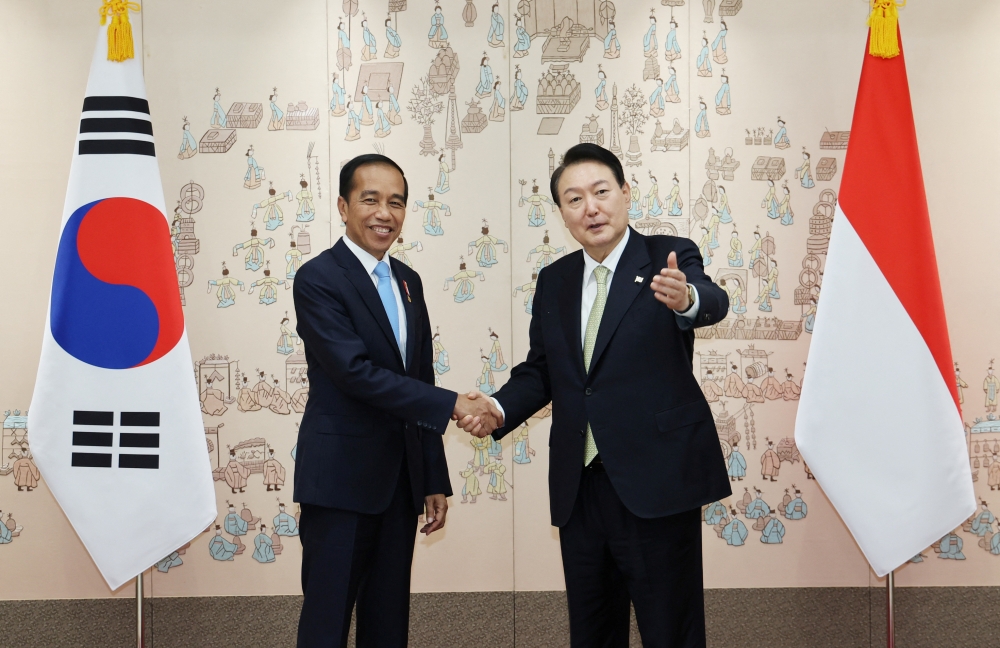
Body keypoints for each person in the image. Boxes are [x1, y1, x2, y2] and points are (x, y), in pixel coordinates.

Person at [457, 143, 730, 647]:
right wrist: (496, 408)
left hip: (657, 482)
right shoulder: (555, 280)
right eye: (574, 199)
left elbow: (711, 298)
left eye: (601, 192)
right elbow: (543, 371)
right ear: (563, 213)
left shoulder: (668, 255)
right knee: (592, 633)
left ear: (625, 194)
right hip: (580, 489)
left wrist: (687, 299)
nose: (591, 207)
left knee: (672, 631)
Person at [293, 154, 494, 647]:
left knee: (388, 628)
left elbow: (418, 377)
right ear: (343, 206)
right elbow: (355, 374)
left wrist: (431, 478)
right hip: (339, 485)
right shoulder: (318, 278)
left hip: (398, 487)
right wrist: (453, 404)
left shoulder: (408, 281)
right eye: (371, 199)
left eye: (396, 202)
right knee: (326, 625)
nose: (385, 213)